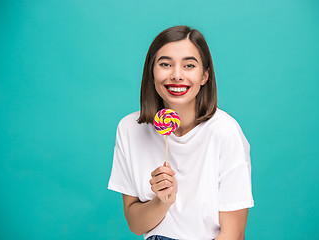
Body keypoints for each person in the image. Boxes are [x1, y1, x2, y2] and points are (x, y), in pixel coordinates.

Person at [108, 25, 254, 240]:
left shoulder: (225, 132)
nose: (176, 75)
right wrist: (163, 200)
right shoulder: (129, 128)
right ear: (151, 71)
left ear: (204, 75)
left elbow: (233, 233)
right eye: (165, 64)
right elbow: (136, 225)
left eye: (189, 65)